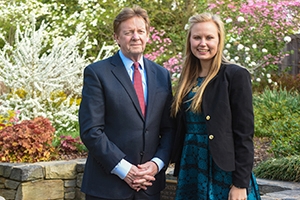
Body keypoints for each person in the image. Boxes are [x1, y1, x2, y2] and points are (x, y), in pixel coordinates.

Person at [78, 5, 175, 200]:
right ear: (117, 37)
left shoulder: (162, 75)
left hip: (149, 186)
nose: (135, 37)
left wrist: (156, 164)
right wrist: (125, 170)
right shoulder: (98, 73)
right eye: (128, 32)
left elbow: (170, 128)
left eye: (140, 31)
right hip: (107, 187)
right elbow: (91, 131)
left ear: (147, 35)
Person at [170, 12, 261, 200]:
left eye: (209, 37)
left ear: (219, 40)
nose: (202, 43)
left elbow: (244, 134)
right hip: (192, 166)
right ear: (190, 41)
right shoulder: (187, 80)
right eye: (197, 37)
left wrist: (240, 183)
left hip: (223, 170)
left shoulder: (235, 75)